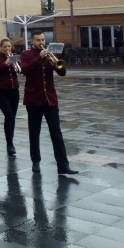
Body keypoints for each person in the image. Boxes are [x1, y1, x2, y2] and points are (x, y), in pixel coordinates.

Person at [20, 31, 78, 175]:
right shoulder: (26, 54)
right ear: (32, 41)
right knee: (34, 133)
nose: (41, 42)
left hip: (50, 99)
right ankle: (36, 161)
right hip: (33, 100)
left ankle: (63, 165)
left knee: (56, 133)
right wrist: (39, 58)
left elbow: (62, 72)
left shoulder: (50, 54)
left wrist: (55, 62)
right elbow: (24, 70)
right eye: (38, 40)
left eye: (43, 39)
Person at [0, 38, 20, 156]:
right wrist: (5, 63)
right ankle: (9, 143)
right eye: (5, 47)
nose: (7, 49)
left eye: (9, 46)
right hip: (1, 91)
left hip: (14, 90)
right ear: (0, 47)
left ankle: (10, 140)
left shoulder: (14, 55)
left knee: (12, 117)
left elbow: (19, 69)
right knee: (9, 116)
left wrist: (16, 65)